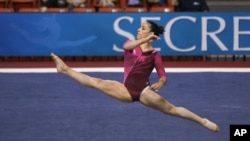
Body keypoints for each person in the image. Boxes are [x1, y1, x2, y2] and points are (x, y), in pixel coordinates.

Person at [50, 20, 219, 132]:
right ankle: (64, 69)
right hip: (125, 90)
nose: (139, 29)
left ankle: (202, 121)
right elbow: (129, 45)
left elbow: (163, 75)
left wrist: (161, 82)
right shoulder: (131, 45)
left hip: (145, 92)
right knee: (97, 82)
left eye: (143, 28)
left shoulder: (155, 54)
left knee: (172, 110)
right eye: (139, 27)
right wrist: (142, 41)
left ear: (150, 33)